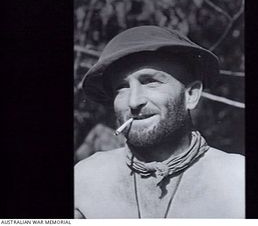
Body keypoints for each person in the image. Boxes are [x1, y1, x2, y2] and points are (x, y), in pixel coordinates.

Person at [74, 25, 244, 218]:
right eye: (121, 88)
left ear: (191, 95)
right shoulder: (86, 177)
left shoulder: (237, 180)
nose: (134, 101)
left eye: (150, 82)